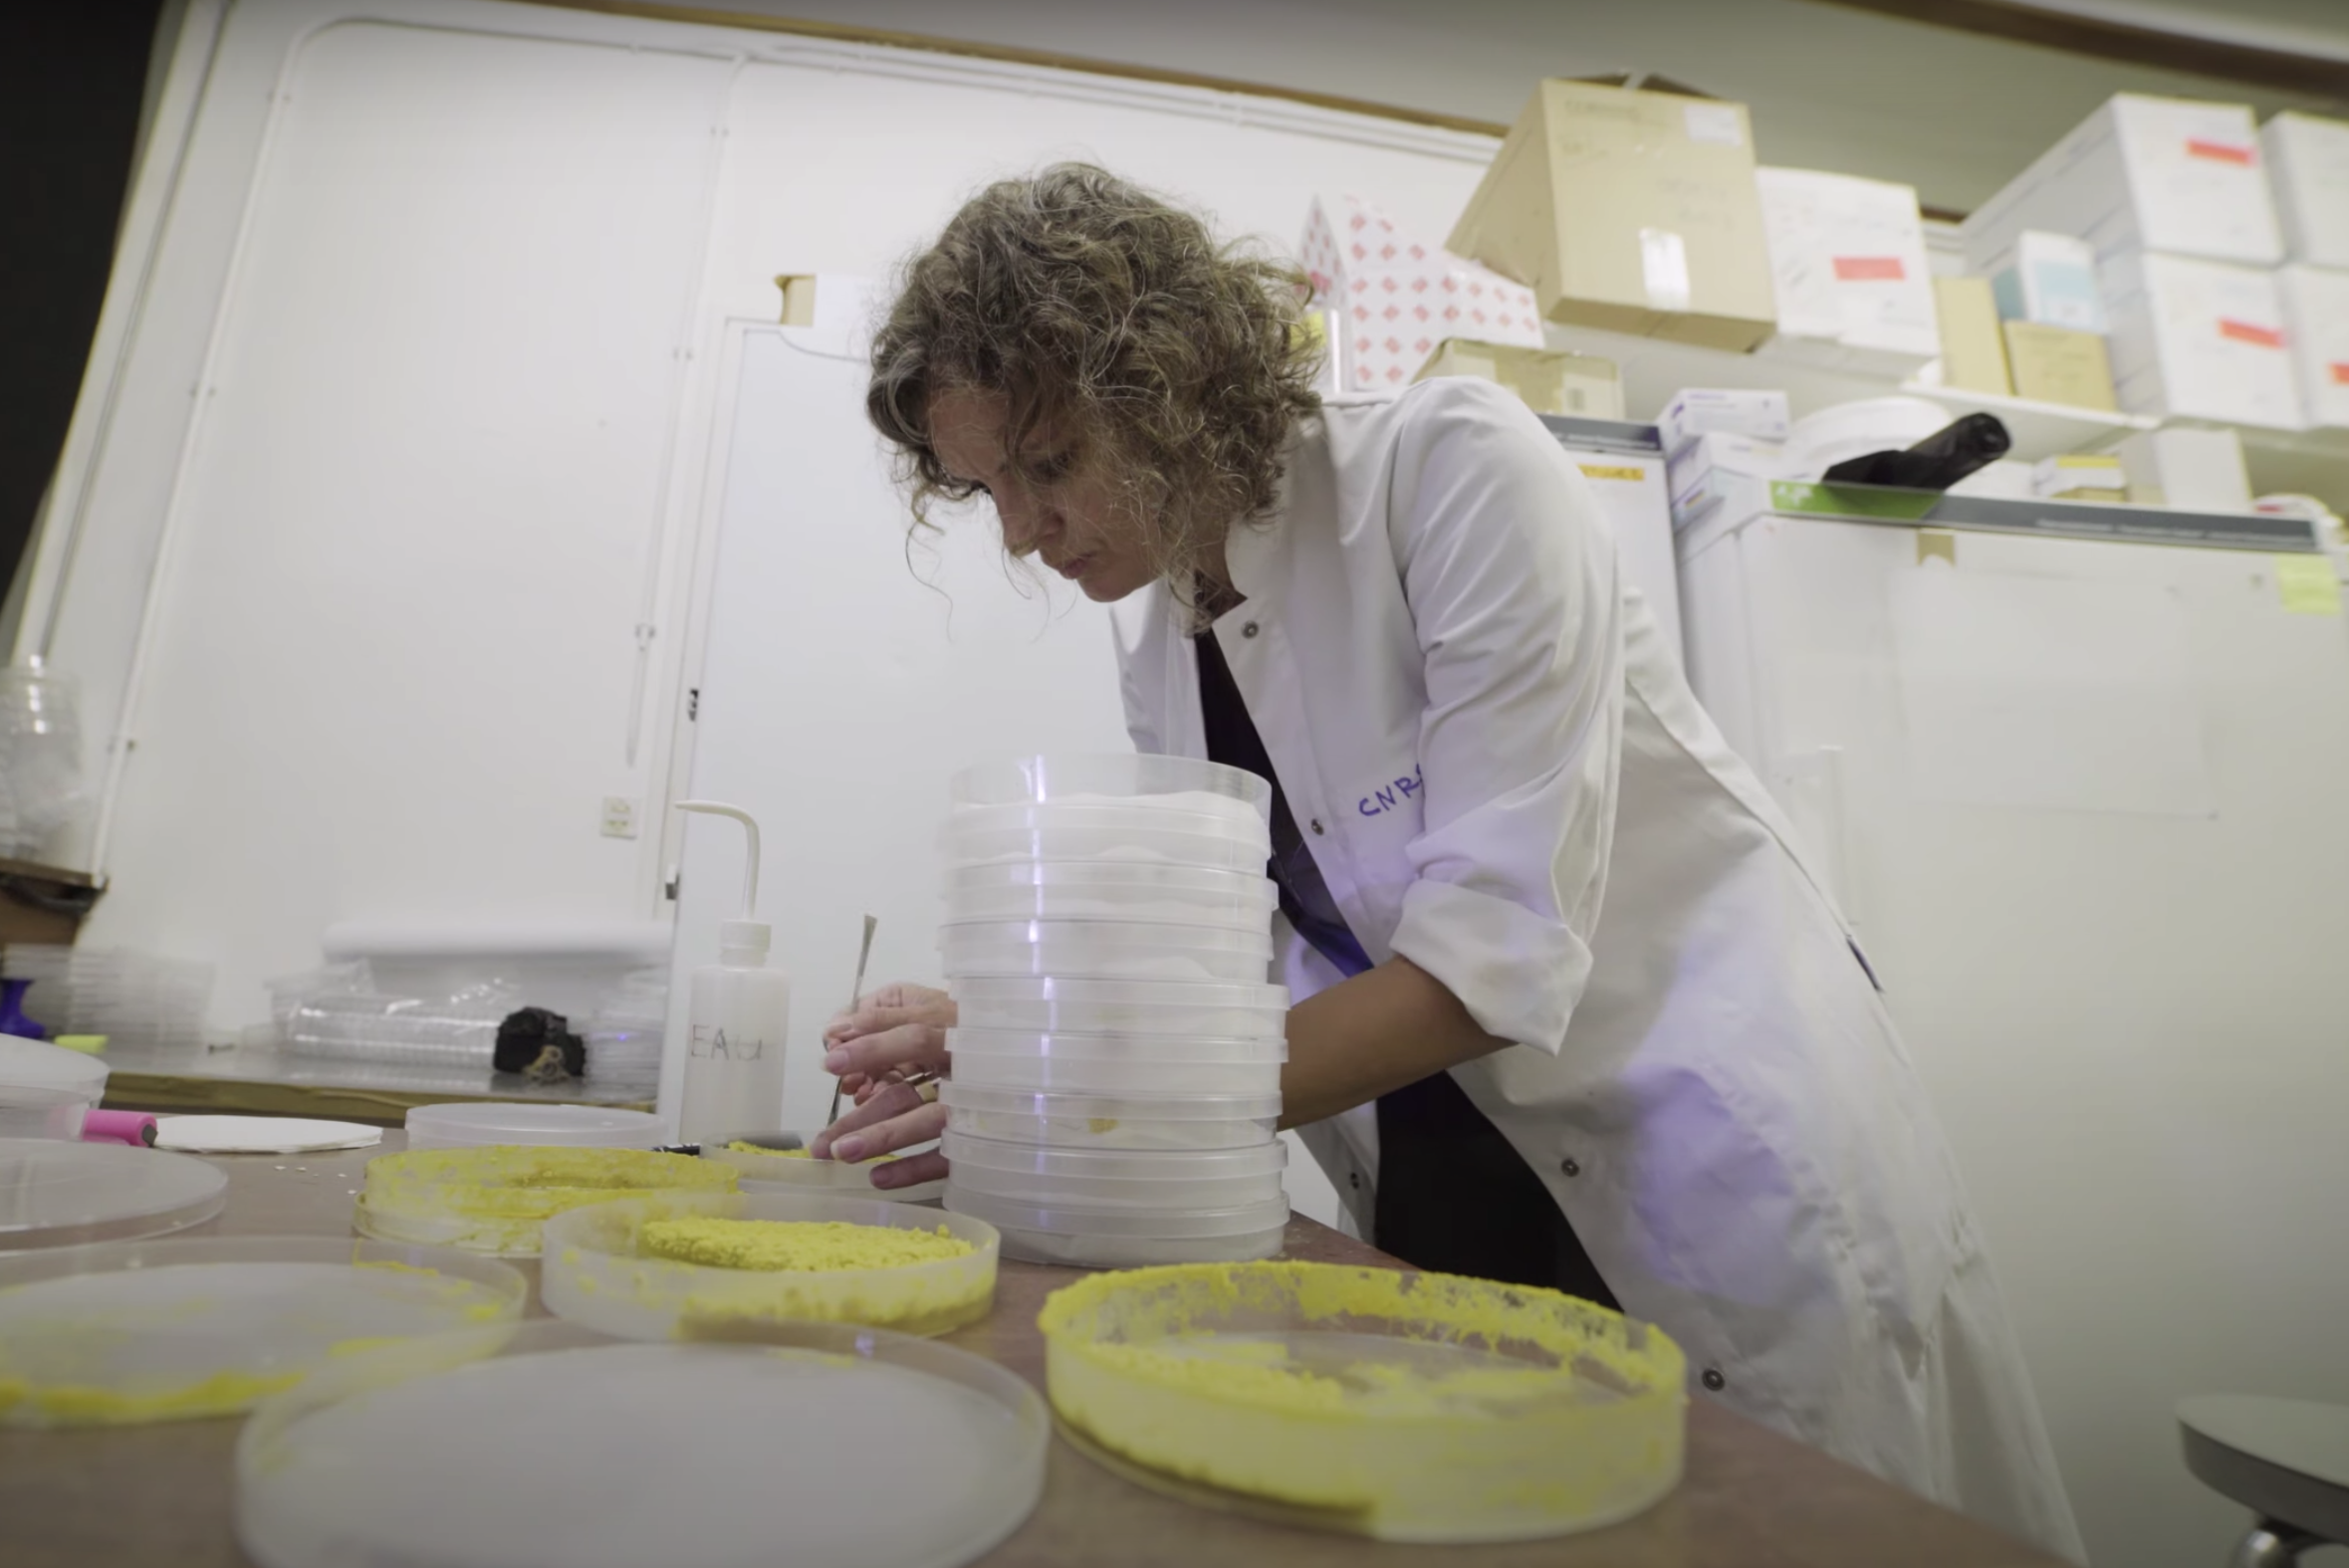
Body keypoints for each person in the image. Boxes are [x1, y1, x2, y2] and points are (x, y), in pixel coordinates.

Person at [812, 162, 2083, 1561]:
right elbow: (1214, 991)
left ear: (1166, 381)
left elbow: (1486, 967)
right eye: (987, 486)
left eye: (1046, 465)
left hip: (1688, 1154)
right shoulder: (1162, 641)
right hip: (1441, 1172)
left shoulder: (1447, 469)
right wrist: (1009, 1038)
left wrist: (1055, 1094)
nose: (1019, 531)